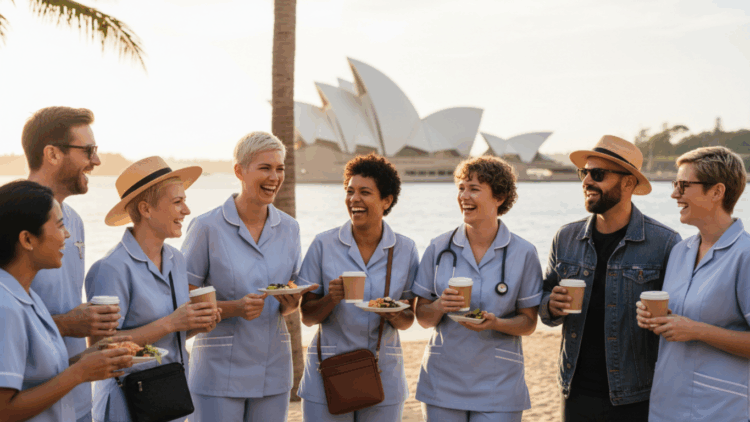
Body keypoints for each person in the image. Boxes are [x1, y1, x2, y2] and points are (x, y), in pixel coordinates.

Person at [539, 135, 681, 421]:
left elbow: (679, 316)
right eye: (585, 173)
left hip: (638, 394)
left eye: (598, 174)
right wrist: (550, 306)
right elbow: (543, 303)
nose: (587, 181)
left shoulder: (664, 243)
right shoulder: (565, 238)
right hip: (576, 391)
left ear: (628, 183)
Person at [181, 132, 314, 422]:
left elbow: (288, 298)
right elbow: (183, 298)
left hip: (273, 371)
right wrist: (235, 309)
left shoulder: (289, 228)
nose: (274, 177)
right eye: (265, 168)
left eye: (279, 168)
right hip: (217, 372)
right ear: (239, 171)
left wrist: (291, 301)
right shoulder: (206, 227)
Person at [85, 156, 221, 422]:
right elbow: (101, 348)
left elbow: (171, 335)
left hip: (171, 399)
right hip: (127, 405)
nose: (187, 210)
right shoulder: (110, 268)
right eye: (177, 202)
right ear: (146, 209)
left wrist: (196, 323)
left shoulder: (176, 259)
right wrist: (172, 322)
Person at [411, 156, 542, 422]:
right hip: (443, 380)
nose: (464, 196)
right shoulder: (438, 247)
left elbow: (528, 323)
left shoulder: (524, 253)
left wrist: (495, 323)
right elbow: (423, 319)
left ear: (500, 197)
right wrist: (439, 306)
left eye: (474, 189)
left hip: (499, 383)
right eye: (461, 188)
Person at [298, 153, 419, 422]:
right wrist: (331, 298)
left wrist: (393, 313)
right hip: (327, 372)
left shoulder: (405, 249)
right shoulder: (323, 244)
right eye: (350, 191)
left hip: (383, 375)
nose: (354, 199)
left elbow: (409, 319)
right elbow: (307, 317)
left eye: (365, 192)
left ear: (386, 201)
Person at [0, 180, 134, 422]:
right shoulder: (5, 306)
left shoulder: (27, 296)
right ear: (27, 240)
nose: (68, 234)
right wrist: (80, 373)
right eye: (60, 225)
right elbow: (4, 410)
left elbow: (37, 377)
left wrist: (94, 357)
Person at [22, 106, 122, 422]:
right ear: (52, 154)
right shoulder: (8, 220)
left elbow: (62, 301)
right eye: (88, 150)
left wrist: (96, 345)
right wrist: (66, 323)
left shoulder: (76, 222)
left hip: (78, 403)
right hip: (30, 403)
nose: (96, 161)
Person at [636, 147, 749, 421]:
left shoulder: (745, 254)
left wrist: (696, 330)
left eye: (684, 185)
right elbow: (682, 320)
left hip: (720, 410)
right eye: (676, 185)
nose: (675, 193)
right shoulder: (679, 250)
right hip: (666, 404)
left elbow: (693, 326)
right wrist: (659, 319)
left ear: (716, 192)